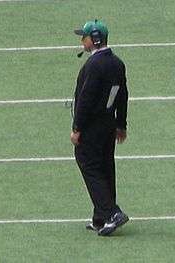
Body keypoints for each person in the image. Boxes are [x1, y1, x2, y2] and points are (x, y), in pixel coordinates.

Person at [71, 19, 129, 236]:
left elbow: (85, 99)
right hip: (108, 124)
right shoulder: (117, 63)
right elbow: (123, 95)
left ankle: (112, 213)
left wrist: (77, 128)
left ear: (93, 40)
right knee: (105, 167)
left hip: (92, 127)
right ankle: (101, 217)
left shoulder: (94, 65)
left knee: (89, 164)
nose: (81, 40)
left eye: (83, 37)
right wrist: (121, 124)